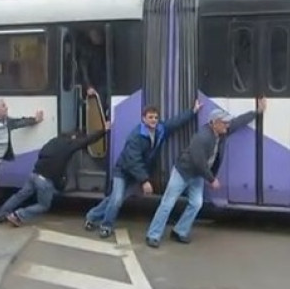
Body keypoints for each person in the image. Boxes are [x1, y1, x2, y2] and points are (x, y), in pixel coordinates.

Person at [145, 99, 267, 247]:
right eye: (225, 123)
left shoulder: (221, 131)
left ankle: (179, 231)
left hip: (198, 175)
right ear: (215, 123)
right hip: (183, 172)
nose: (228, 125)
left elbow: (238, 122)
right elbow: (198, 161)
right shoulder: (202, 137)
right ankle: (153, 235)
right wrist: (211, 179)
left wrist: (257, 112)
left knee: (196, 203)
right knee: (167, 203)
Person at [84, 100, 203, 238]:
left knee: (116, 198)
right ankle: (106, 225)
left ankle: (92, 216)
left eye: (156, 118)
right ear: (143, 119)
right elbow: (133, 161)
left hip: (137, 174)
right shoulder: (136, 136)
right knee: (116, 200)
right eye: (150, 117)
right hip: (122, 171)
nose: (154, 120)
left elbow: (175, 122)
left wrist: (193, 111)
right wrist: (145, 180)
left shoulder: (160, 129)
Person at [0, 124, 110, 226]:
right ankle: (18, 216)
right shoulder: (69, 145)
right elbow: (88, 140)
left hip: (34, 174)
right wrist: (104, 130)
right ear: (73, 137)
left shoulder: (52, 141)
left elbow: (42, 154)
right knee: (43, 205)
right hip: (44, 181)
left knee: (19, 196)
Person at [0, 99, 44, 230]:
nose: (6, 108)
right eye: (3, 106)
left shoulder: (6, 121)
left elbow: (19, 122)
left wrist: (34, 120)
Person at [76, 28, 108, 115]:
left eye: (98, 35)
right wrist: (88, 86)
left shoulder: (107, 49)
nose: (97, 37)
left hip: (104, 82)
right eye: (94, 35)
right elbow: (84, 70)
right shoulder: (87, 51)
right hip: (94, 84)